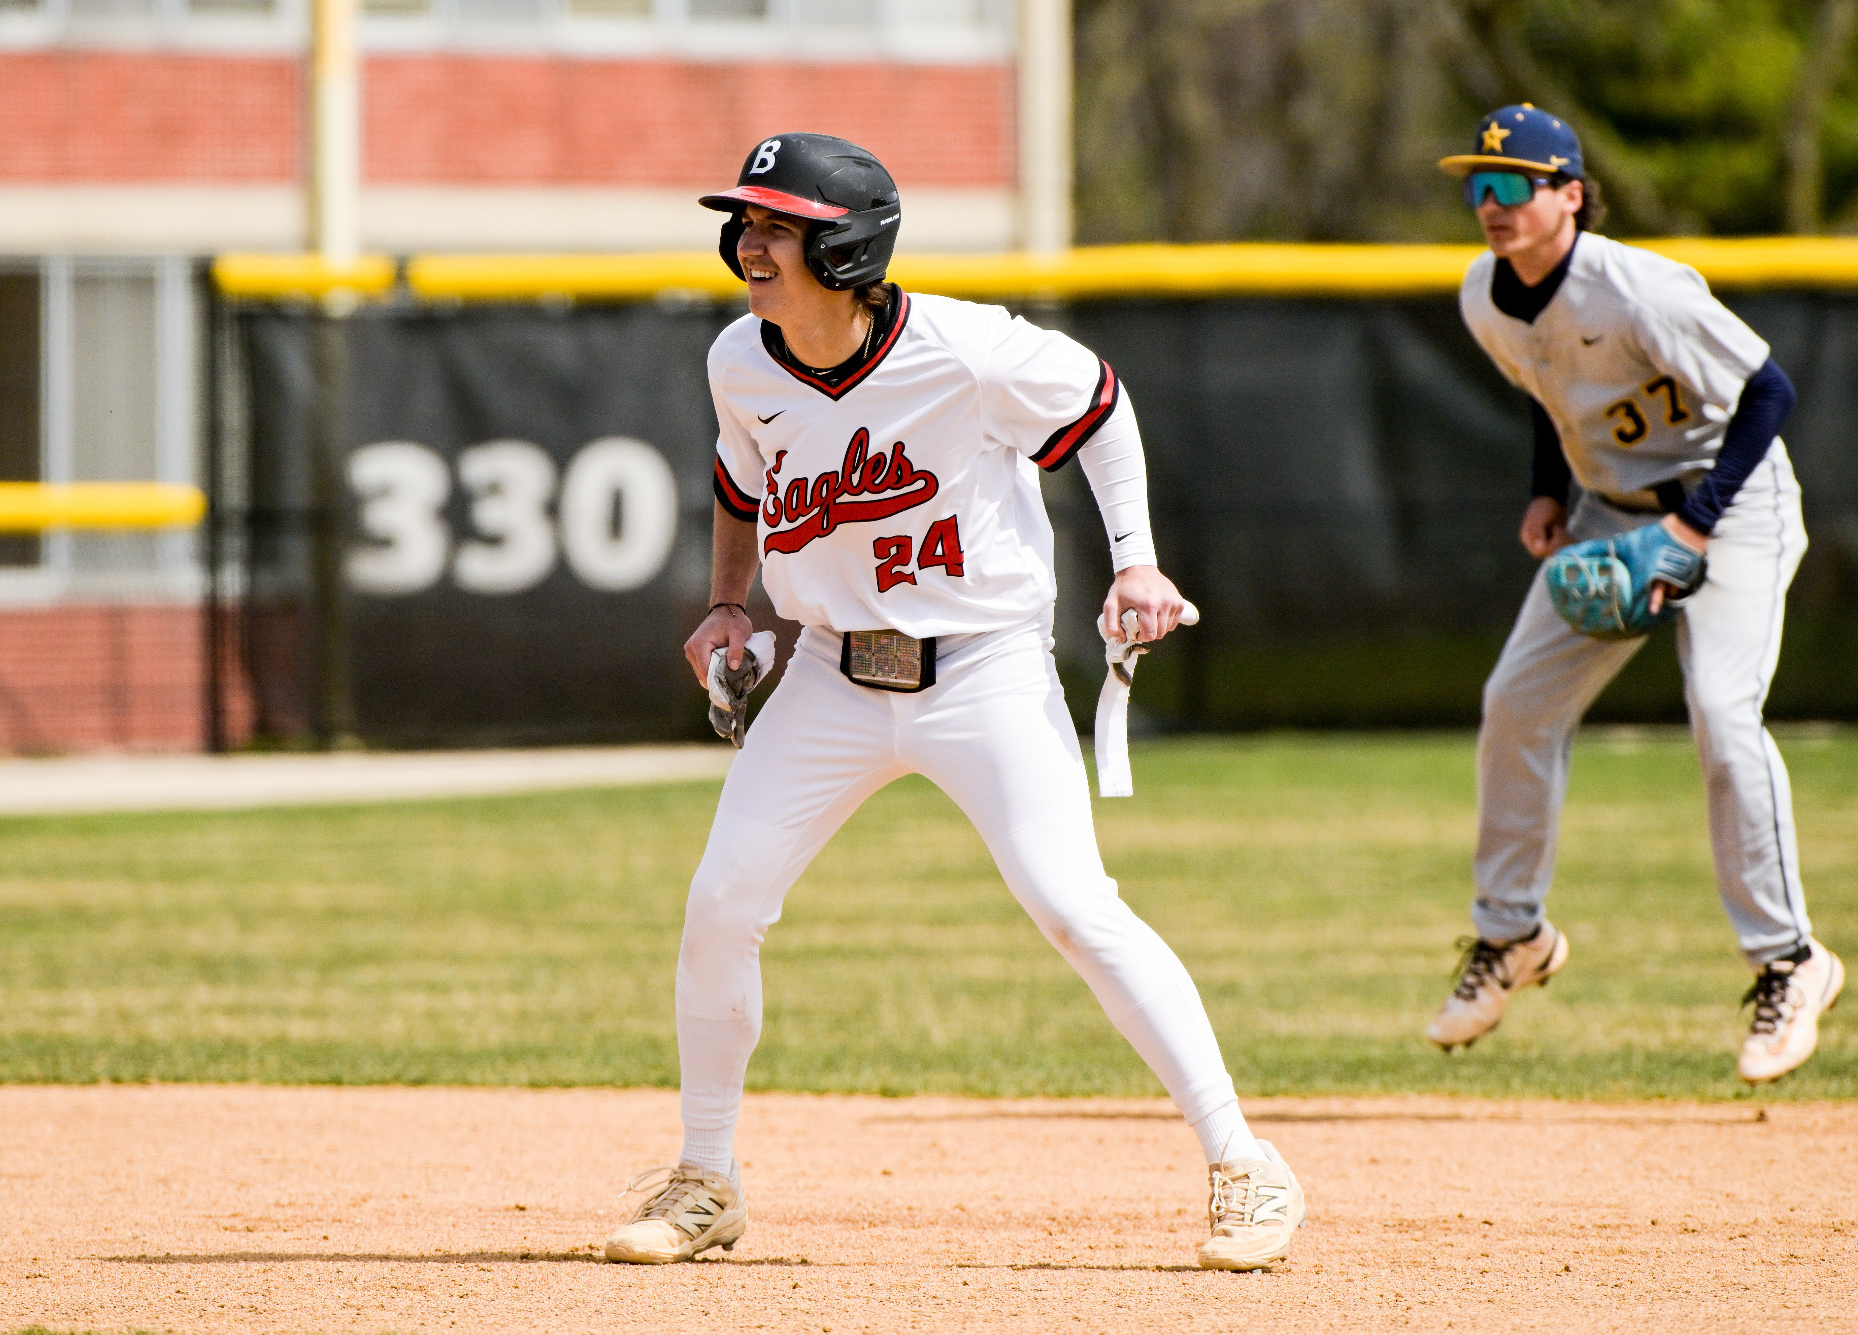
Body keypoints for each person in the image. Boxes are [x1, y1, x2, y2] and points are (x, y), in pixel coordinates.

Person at [600, 133, 1306, 1270]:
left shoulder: (967, 348)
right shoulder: (741, 357)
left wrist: (1134, 559)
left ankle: (1242, 1165)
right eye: (745, 223)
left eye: (777, 225)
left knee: (1074, 907)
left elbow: (1100, 403)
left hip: (982, 668)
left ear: (846, 246)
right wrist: (730, 604)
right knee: (722, 900)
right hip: (829, 670)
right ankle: (705, 1179)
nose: (749, 243)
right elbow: (741, 480)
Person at [1430, 105, 1843, 1083]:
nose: (1489, 205)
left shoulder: (1637, 291)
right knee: (1514, 706)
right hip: (1611, 515)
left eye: (1510, 185)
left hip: (1728, 509)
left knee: (1720, 710)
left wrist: (1691, 525)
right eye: (1475, 187)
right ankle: (1511, 936)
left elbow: (1766, 392)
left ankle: (1790, 959)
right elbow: (1545, 396)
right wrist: (1545, 490)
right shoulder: (1483, 298)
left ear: (1567, 194)